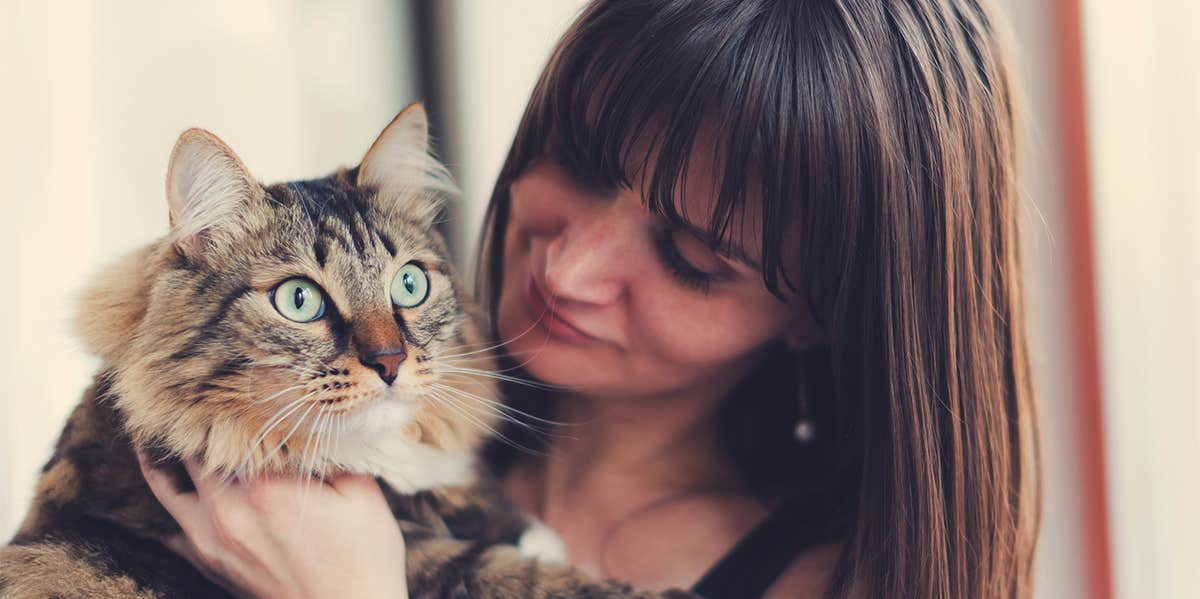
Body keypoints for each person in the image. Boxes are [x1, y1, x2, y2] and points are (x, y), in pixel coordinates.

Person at [140, 0, 1041, 597]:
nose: (567, 271)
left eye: (692, 255)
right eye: (575, 160)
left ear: (821, 309)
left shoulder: (828, 576)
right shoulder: (308, 436)